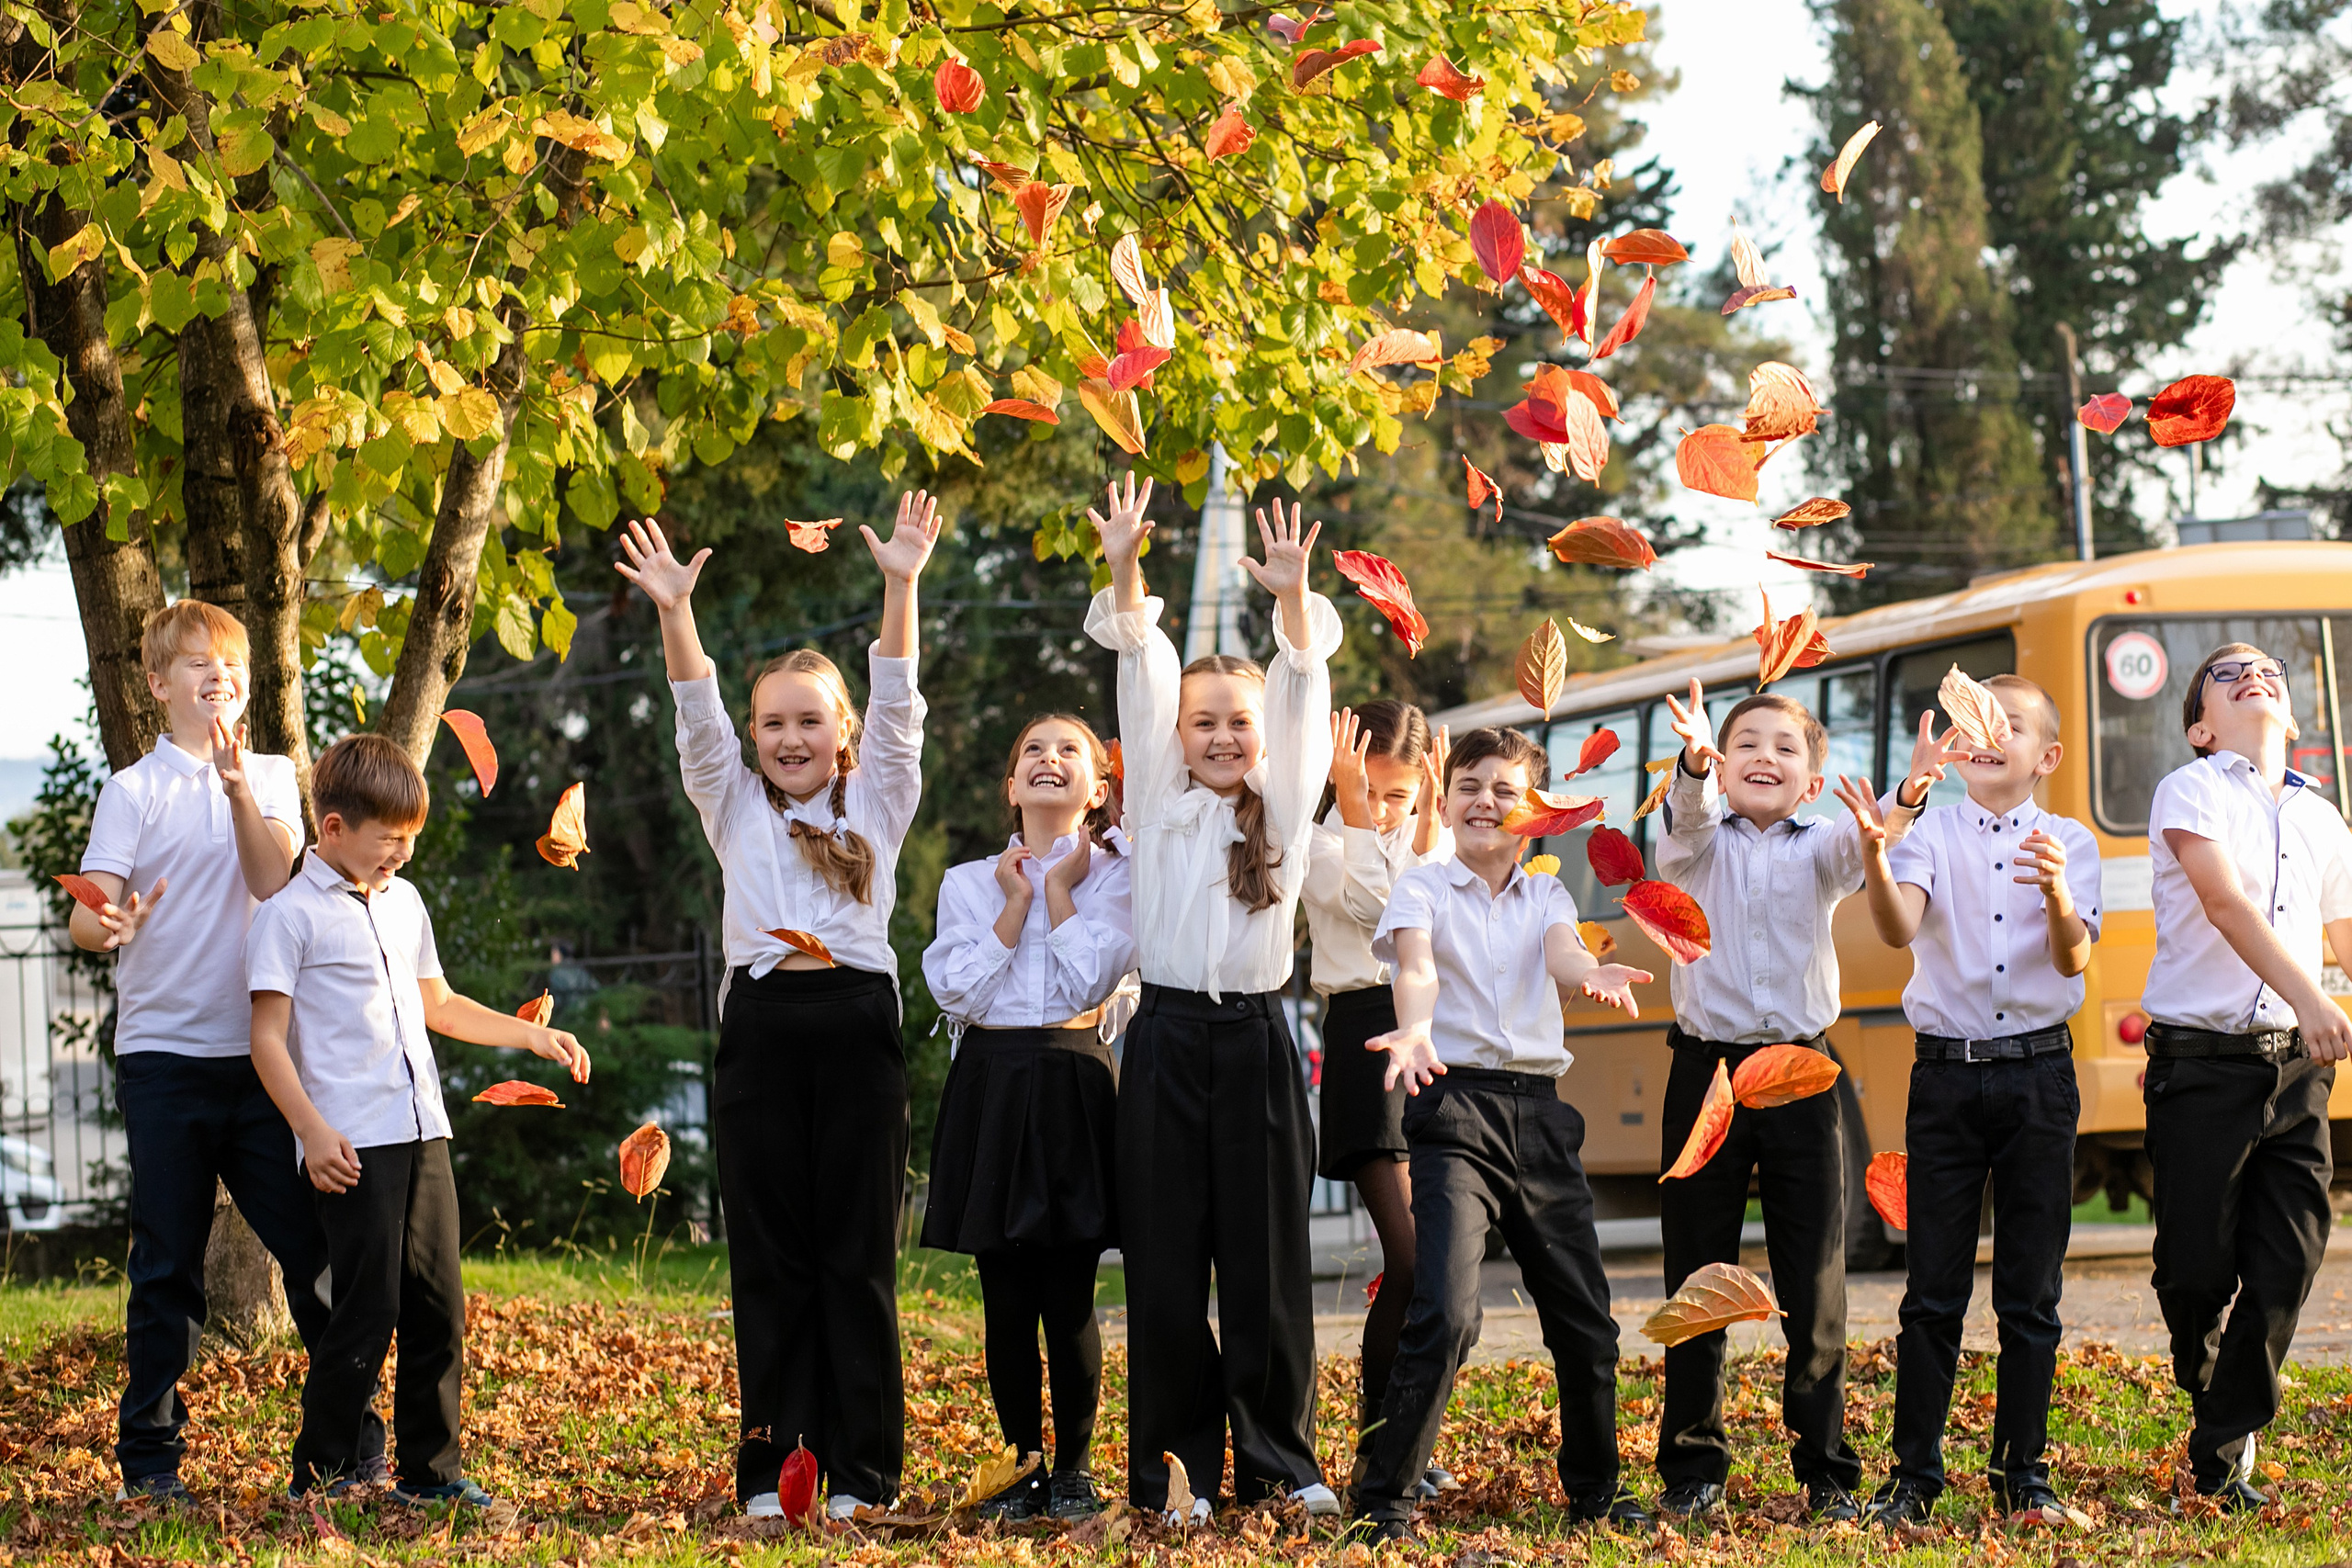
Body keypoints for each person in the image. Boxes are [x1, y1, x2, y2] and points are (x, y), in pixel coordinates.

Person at [616, 496, 940, 1521]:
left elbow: (899, 703)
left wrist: (900, 584)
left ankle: (863, 1474)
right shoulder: (732, 803)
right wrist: (676, 611)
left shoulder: (877, 799)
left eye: (810, 720)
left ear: (842, 734)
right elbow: (695, 714)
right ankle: (773, 1471)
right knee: (770, 1259)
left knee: (856, 1257)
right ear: (754, 735)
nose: (790, 737)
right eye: (773, 723)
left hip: (857, 1030)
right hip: (760, 1031)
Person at [71, 601, 382, 1504]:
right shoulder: (133, 791)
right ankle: (149, 1465)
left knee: (314, 1254)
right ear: (158, 683)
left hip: (261, 1062)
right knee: (166, 1265)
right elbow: (87, 915)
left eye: (232, 664)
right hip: (162, 1061)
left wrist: (239, 787)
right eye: (198, 663)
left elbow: (271, 877)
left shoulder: (276, 775)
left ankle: (350, 1447)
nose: (219, 675)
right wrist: (110, 920)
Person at [1081, 473, 1342, 1517]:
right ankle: (1174, 1473)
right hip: (1166, 1040)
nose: (1223, 737)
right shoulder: (1155, 800)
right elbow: (1140, 668)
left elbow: (1303, 688)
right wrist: (1125, 566)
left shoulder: (1284, 804)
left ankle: (1281, 1466)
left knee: (1265, 1260)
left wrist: (1294, 599)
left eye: (1238, 722)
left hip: (1256, 1042)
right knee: (1166, 1265)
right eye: (1203, 724)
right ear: (1177, 737)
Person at [245, 735, 591, 1502]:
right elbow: (266, 1038)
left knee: (439, 1303)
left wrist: (530, 1035)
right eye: (390, 840)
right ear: (333, 828)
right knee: (368, 1308)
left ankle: (431, 1475)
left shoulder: (403, 902)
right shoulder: (288, 916)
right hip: (350, 1140)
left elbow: (441, 1004)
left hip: (422, 1127)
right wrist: (310, 1129)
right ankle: (321, 1472)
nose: (403, 854)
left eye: (411, 839)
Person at [1649, 679, 1959, 1521]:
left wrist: (1909, 791)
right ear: (1721, 763)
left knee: (1815, 1277)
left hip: (1801, 1073)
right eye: (1745, 743)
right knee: (1695, 1274)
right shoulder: (1691, 843)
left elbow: (1866, 840)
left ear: (1811, 781)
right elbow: (1686, 818)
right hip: (1707, 1076)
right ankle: (1693, 1467)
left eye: (1785, 748)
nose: (1764, 757)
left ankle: (1825, 1470)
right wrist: (1692, 765)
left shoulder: (1821, 845)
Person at [1347, 726, 1657, 1541]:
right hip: (1455, 1110)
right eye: (1470, 785)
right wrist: (1416, 1026)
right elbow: (1417, 967)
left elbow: (1562, 955)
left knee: (1586, 1320)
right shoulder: (1421, 887)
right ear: (1446, 801)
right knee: (1447, 1312)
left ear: (1534, 813)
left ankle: (1596, 1490)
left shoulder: (1548, 897)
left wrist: (1591, 971)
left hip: (1542, 1114)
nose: (1486, 801)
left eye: (1505, 790)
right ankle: (1385, 1501)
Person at [1837, 676, 2101, 1525]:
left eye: (2009, 725)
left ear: (2046, 756)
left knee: (2030, 1292)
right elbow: (1897, 928)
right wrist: (1876, 851)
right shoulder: (1929, 833)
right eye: (1975, 723)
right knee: (1932, 1291)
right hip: (1945, 1079)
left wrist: (2057, 892)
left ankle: (2024, 1473)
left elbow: (2073, 959)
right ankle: (1913, 1477)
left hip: (2039, 1076)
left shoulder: (2071, 840)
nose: (1988, 736)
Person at [2138, 643, 2352, 1508]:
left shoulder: (2323, 817)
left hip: (2296, 1071)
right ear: (2202, 725)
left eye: (2267, 670)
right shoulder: (2190, 788)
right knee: (2193, 1272)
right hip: (2199, 1066)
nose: (2252, 675)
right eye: (2227, 674)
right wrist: (2314, 998)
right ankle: (2210, 1376)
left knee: (2292, 1254)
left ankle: (2224, 1443)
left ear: (2291, 716)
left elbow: (2346, 932)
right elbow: (2223, 902)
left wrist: (2315, 1006)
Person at [920, 714, 1134, 1522]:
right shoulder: (968, 883)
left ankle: (1073, 1470)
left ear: (1097, 788)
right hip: (994, 1082)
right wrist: (1016, 902)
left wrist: (1058, 890)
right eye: (1032, 751)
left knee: (1070, 1292)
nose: (1049, 758)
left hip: (1074, 1075)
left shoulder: (1117, 878)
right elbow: (959, 991)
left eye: (1069, 749)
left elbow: (1090, 984)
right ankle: (1020, 1466)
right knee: (1005, 1295)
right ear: (1012, 785)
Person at [1301, 702, 1450, 1491]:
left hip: (1433, 1039)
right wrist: (1358, 810)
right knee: (1412, 1258)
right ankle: (1379, 1449)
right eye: (1372, 790)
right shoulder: (1321, 840)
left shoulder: (1429, 836)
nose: (1386, 808)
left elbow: (1445, 910)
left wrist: (1427, 824)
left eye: (1401, 794)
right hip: (1365, 1037)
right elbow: (1378, 910)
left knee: (1440, 1267)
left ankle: (1406, 1445)